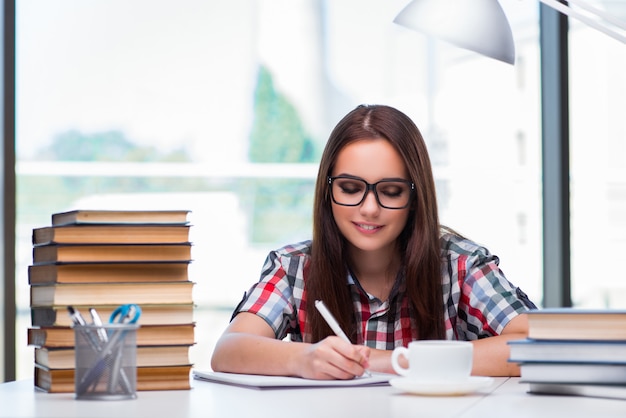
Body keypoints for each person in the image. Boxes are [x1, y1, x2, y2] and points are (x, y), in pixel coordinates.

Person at [211, 104, 536, 379]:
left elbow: (535, 343)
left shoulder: (459, 265)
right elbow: (228, 349)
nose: (369, 209)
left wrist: (392, 361)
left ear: (415, 196)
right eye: (351, 189)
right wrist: (303, 359)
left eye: (390, 191)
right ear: (328, 192)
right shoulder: (294, 267)